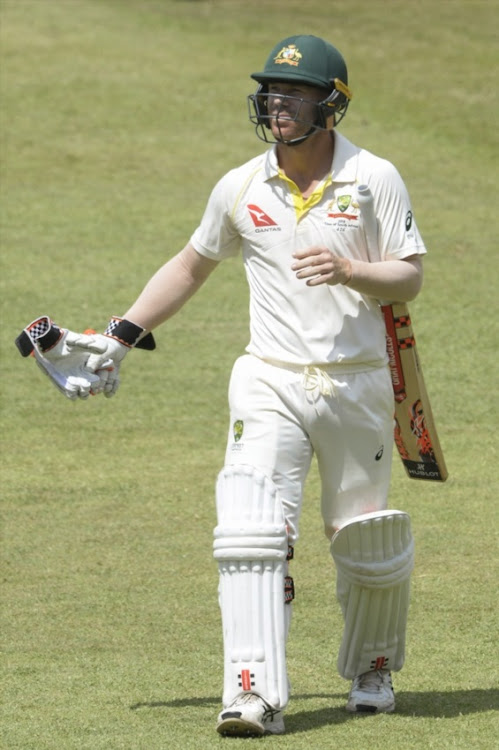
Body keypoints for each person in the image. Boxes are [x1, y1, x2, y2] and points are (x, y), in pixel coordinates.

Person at [24, 35, 426, 737]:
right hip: (266, 377)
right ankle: (252, 692)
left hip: (354, 381)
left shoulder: (374, 178)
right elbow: (190, 265)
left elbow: (409, 275)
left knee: (361, 536)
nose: (276, 102)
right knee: (249, 531)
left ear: (330, 105)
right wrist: (119, 336)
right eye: (271, 91)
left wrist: (349, 270)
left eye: (293, 93)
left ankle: (373, 665)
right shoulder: (240, 185)